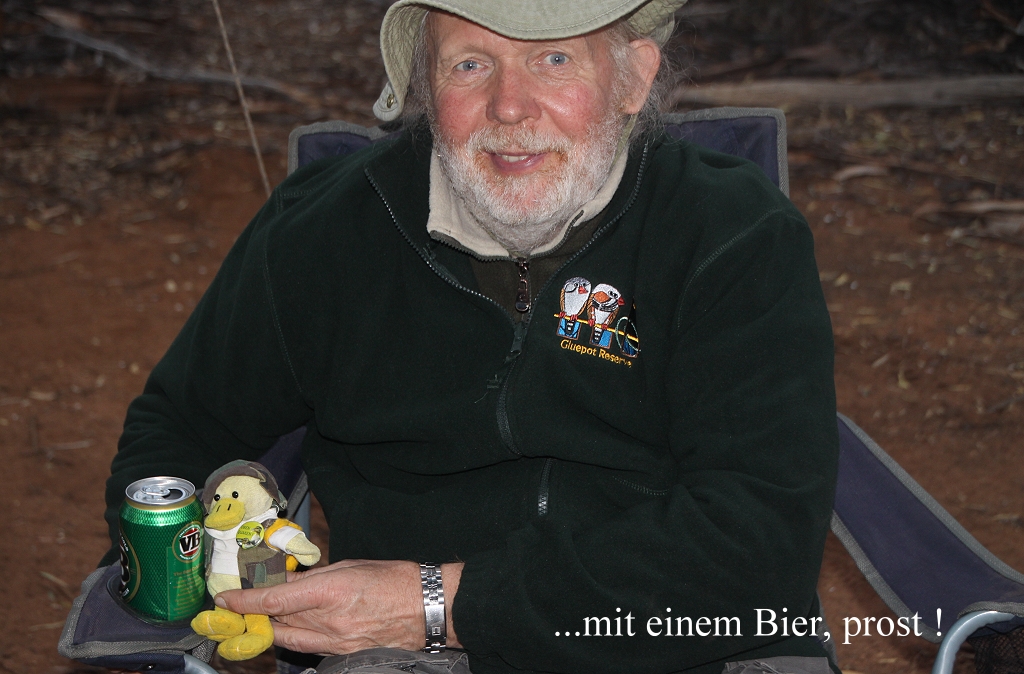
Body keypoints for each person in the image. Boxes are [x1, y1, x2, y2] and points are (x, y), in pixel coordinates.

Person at [102, 1, 839, 673]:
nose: (510, 106)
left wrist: (442, 604)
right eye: (469, 64)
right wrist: (191, 584)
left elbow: (761, 543)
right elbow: (179, 428)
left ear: (632, 79)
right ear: (426, 87)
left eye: (554, 58)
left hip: (682, 638)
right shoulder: (323, 234)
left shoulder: (731, 233)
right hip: (400, 658)